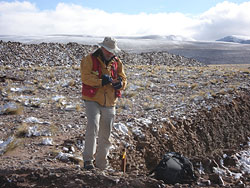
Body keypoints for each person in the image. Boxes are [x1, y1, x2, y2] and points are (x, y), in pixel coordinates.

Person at [80, 37, 127, 170]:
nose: (109, 53)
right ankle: (88, 161)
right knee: (93, 127)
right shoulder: (89, 59)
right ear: (102, 48)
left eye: (112, 51)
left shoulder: (117, 62)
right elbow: (85, 77)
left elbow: (123, 78)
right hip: (92, 98)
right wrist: (101, 81)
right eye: (108, 50)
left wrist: (121, 84)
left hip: (110, 101)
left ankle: (101, 164)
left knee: (106, 134)